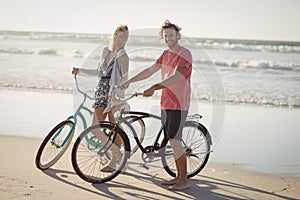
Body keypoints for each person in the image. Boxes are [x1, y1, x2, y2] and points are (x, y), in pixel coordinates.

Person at [122, 20, 192, 190]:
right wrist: (129, 81)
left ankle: (184, 180)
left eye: (171, 35)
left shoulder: (185, 53)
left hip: (179, 103)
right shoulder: (165, 54)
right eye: (165, 35)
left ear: (178, 35)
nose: (168, 38)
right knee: (171, 140)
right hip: (166, 101)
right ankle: (177, 177)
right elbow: (150, 70)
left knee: (175, 141)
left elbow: (177, 77)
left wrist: (154, 87)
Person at [72, 25, 129, 172]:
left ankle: (115, 159)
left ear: (125, 39)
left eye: (122, 37)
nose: (118, 39)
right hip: (100, 93)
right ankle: (117, 155)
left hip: (112, 95)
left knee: (110, 128)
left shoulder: (123, 56)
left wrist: (115, 95)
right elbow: (99, 72)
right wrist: (80, 71)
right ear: (113, 35)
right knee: (98, 129)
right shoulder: (106, 51)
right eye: (117, 35)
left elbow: (124, 80)